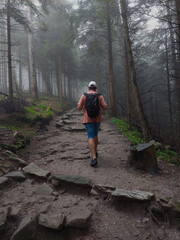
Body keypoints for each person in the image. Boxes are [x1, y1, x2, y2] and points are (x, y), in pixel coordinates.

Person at [77, 81, 107, 167]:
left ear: (89, 88)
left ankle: (93, 157)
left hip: (88, 119)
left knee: (90, 136)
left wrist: (82, 106)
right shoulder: (99, 95)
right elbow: (105, 107)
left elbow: (79, 108)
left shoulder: (84, 95)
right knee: (95, 134)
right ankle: (95, 151)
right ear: (96, 88)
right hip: (97, 119)